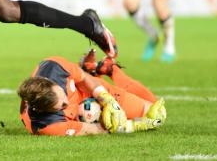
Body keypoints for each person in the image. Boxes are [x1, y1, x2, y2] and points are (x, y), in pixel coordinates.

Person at [17, 49, 166, 136]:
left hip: (86, 91)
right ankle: (93, 67)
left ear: (52, 83)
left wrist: (106, 99)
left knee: (156, 110)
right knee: (154, 116)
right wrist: (134, 126)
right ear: (45, 110)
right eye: (61, 106)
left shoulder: (56, 66)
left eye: (63, 95)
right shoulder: (49, 126)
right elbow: (97, 130)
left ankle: (110, 69)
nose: (66, 102)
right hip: (80, 117)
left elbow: (83, 79)